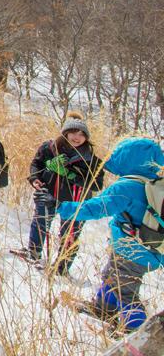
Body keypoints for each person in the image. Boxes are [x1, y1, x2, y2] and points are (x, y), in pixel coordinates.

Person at [58, 137, 164, 331]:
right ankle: (103, 308)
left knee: (125, 290)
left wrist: (64, 208)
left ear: (128, 159)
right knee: (110, 275)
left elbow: (97, 207)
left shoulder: (127, 186)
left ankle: (136, 332)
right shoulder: (154, 184)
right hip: (150, 250)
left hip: (132, 250)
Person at [12, 112, 104, 275]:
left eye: (82, 135)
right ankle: (33, 253)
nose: (77, 137)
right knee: (40, 222)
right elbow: (36, 163)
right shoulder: (49, 148)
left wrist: (70, 174)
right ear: (66, 132)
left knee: (70, 234)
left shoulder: (91, 159)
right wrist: (35, 178)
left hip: (74, 201)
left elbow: (96, 184)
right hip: (49, 193)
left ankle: (61, 269)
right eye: (74, 132)